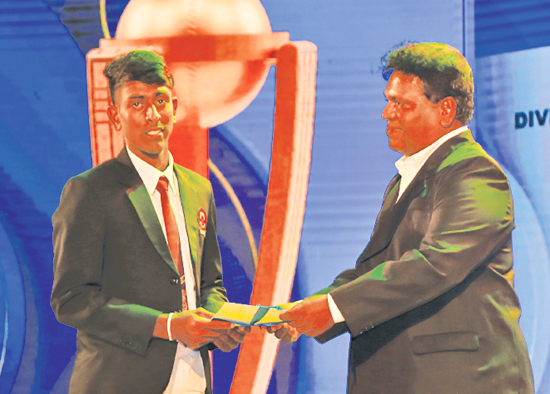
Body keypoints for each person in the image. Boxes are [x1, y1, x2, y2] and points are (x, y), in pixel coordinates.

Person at [274, 42, 535, 393]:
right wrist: (305, 312)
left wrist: (333, 308)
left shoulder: (475, 173)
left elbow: (434, 265)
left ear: (446, 110)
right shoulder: (406, 179)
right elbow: (374, 271)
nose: (387, 113)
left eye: (401, 103)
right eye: (388, 100)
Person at [51, 50, 248, 394]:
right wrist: (167, 326)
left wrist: (219, 323)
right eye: (137, 103)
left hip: (193, 379)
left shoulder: (197, 188)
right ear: (115, 115)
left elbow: (209, 284)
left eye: (161, 101)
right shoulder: (88, 191)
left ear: (174, 104)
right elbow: (71, 299)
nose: (153, 115)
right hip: (117, 381)